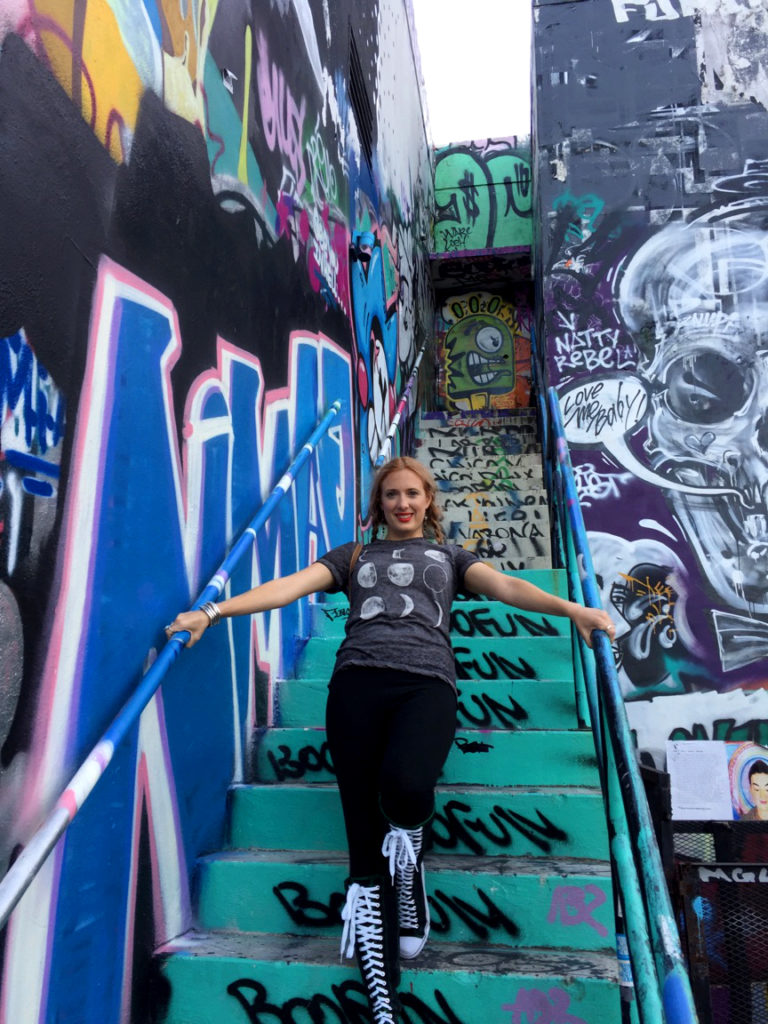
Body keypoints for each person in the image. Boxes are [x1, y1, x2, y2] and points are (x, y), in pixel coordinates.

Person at [165, 455, 614, 1024]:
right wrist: (212, 610)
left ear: (429, 500)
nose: (402, 503)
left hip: (426, 684)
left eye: (412, 494)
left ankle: (411, 864)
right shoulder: (354, 556)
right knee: (361, 838)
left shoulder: (450, 558)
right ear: (379, 505)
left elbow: (505, 585)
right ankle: (383, 992)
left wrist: (571, 608)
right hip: (354, 685)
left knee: (405, 786)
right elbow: (288, 587)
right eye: (392, 495)